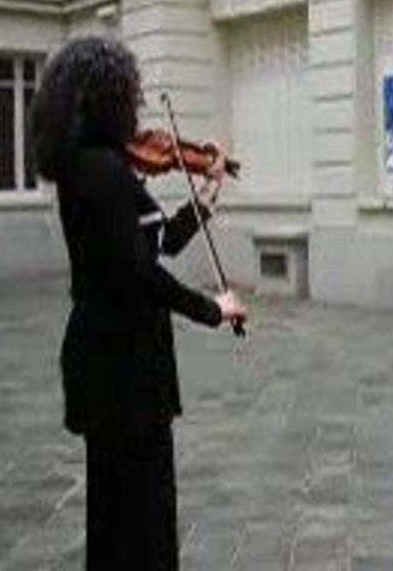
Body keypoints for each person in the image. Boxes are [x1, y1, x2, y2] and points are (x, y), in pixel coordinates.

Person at [28, 36, 246, 569]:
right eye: (131, 92)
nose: (140, 103)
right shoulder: (98, 172)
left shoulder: (103, 167)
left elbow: (162, 241)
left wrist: (206, 198)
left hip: (122, 361)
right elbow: (138, 275)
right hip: (116, 365)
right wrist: (213, 308)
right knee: (138, 514)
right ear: (105, 97)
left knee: (126, 509)